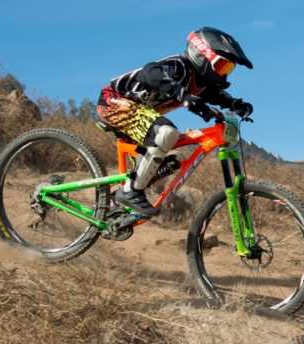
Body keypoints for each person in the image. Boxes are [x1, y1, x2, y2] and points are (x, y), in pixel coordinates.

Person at [96, 27, 254, 217]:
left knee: (169, 162)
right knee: (166, 133)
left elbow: (216, 96)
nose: (224, 74)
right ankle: (129, 191)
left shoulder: (200, 84)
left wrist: (235, 104)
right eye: (222, 66)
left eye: (229, 69)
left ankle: (115, 203)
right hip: (113, 102)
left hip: (141, 117)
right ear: (201, 56)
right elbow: (150, 72)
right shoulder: (180, 66)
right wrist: (182, 94)